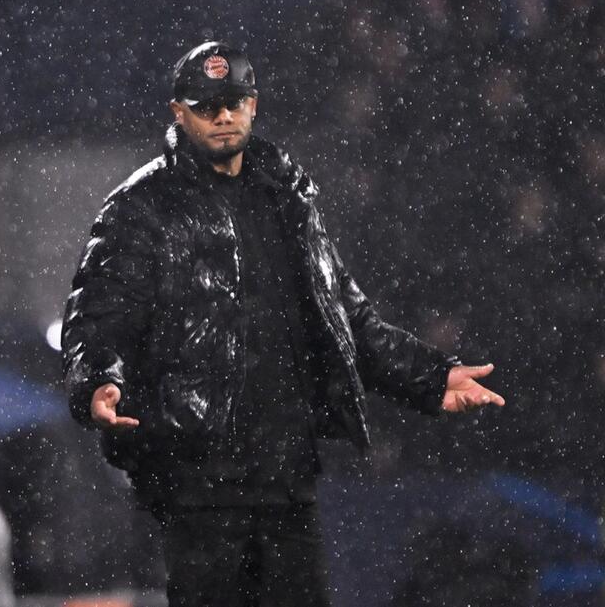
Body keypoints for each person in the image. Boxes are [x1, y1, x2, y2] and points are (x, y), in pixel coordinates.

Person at [62, 41, 506, 607]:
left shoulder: (289, 196)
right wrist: (99, 379)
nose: (222, 116)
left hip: (285, 476)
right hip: (199, 481)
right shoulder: (140, 207)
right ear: (179, 112)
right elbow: (99, 316)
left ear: (254, 105)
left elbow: (344, 318)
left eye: (233, 102)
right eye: (205, 106)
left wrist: (430, 377)